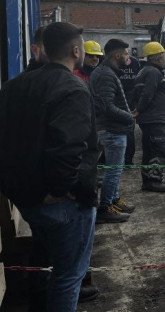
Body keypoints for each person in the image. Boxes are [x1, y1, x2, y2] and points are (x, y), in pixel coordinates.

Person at [0, 22, 99, 311]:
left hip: (24, 196)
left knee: (47, 263)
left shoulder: (13, 85)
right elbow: (68, 147)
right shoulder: (73, 89)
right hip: (61, 202)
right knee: (69, 276)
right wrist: (59, 189)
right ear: (76, 50)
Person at [90, 38, 136, 223]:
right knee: (114, 170)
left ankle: (114, 200)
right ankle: (106, 207)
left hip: (112, 129)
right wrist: (128, 117)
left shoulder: (106, 72)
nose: (128, 57)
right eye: (125, 53)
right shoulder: (106, 75)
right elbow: (106, 106)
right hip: (112, 130)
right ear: (117, 55)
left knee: (115, 168)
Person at [133, 42, 165, 192]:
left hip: (150, 118)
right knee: (160, 149)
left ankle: (147, 181)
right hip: (155, 119)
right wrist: (139, 109)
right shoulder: (154, 72)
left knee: (149, 150)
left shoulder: (144, 71)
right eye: (163, 57)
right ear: (157, 58)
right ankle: (154, 181)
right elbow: (148, 93)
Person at [119, 45, 142, 167]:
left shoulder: (131, 62)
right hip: (130, 99)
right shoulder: (134, 62)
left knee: (125, 130)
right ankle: (128, 159)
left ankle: (126, 158)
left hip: (124, 98)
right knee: (129, 130)